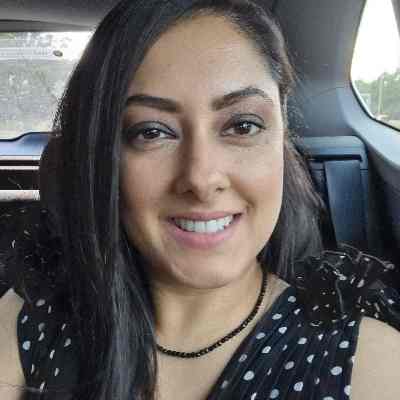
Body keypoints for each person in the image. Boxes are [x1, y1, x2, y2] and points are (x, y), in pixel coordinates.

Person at [0, 0, 399, 399]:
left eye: (243, 126)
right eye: (152, 132)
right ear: (102, 157)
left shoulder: (371, 363)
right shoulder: (29, 322)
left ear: (282, 137)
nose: (201, 180)